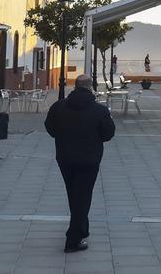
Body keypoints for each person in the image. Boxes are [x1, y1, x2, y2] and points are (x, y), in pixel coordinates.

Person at [44, 74, 116, 253]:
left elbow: (50, 128)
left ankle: (81, 229)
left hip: (65, 158)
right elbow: (108, 134)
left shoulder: (58, 107)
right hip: (89, 159)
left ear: (75, 86)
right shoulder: (99, 110)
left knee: (74, 194)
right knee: (83, 196)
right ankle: (73, 239)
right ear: (90, 87)